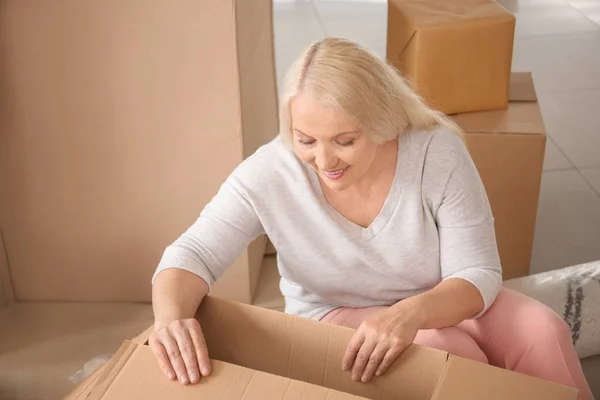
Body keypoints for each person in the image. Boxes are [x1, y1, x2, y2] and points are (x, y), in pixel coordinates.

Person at [149, 37, 593, 399]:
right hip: (336, 312)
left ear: (382, 123)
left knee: (543, 330)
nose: (324, 161)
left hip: (437, 297)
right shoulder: (270, 173)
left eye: (344, 140)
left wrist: (412, 312)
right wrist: (171, 317)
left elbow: (476, 271)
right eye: (305, 140)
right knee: (448, 354)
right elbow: (193, 252)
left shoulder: (435, 152)